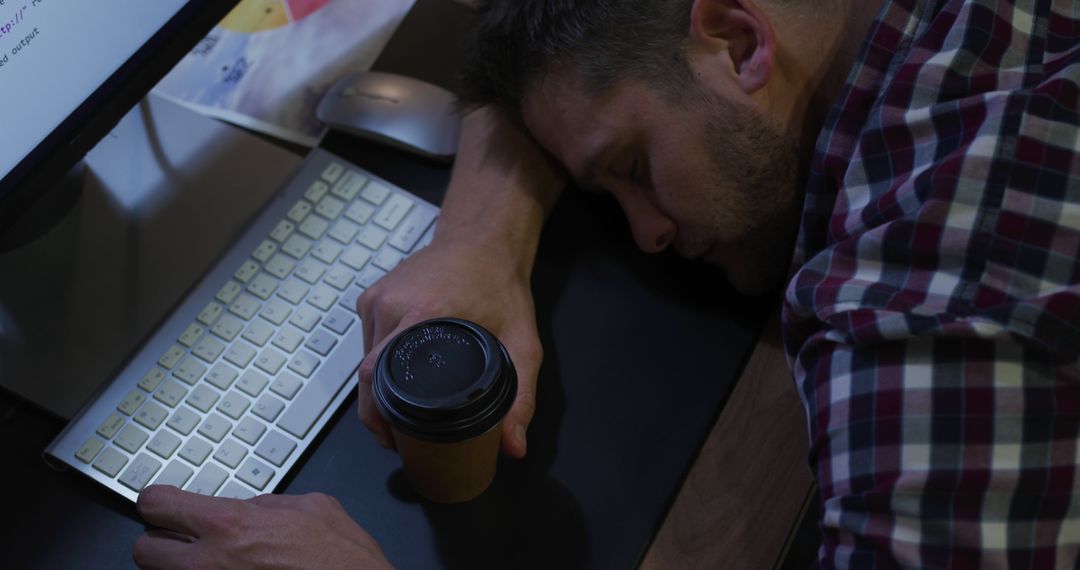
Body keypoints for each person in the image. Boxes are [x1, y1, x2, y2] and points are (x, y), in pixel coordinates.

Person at [134, 0, 1080, 567]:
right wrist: (480, 238)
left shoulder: (918, 301)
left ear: (737, 39)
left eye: (630, 164)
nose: (648, 232)